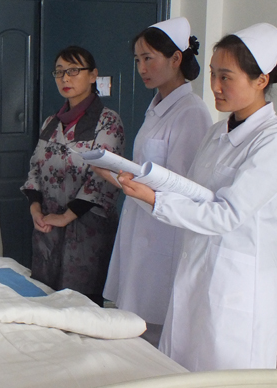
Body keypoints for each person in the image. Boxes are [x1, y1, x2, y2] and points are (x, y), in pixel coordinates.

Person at [117, 23, 277, 371]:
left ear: (261, 80)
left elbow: (227, 214)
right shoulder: (217, 133)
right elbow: (194, 192)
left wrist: (156, 201)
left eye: (225, 77)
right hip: (195, 273)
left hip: (236, 288)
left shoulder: (276, 142)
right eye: (213, 74)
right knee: (180, 368)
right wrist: (146, 185)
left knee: (224, 374)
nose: (214, 85)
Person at [101, 17, 212, 344]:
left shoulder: (191, 113)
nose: (142, 68)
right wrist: (113, 171)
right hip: (141, 224)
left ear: (176, 58)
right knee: (135, 317)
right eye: (138, 60)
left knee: (156, 325)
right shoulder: (157, 108)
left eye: (149, 58)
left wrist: (122, 179)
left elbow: (182, 186)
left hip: (164, 233)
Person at [20, 46, 124, 305]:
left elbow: (102, 178)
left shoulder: (107, 121)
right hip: (48, 228)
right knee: (45, 302)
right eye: (59, 72)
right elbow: (35, 167)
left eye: (73, 71)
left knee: (82, 306)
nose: (65, 78)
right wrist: (35, 209)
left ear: (93, 75)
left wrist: (66, 217)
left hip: (87, 231)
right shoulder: (51, 122)